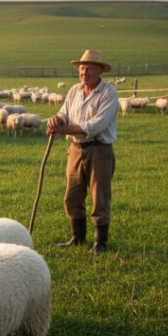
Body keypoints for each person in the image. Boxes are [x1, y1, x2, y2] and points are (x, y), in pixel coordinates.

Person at [46, 50, 119, 254]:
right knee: (73, 195)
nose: (84, 72)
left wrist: (64, 129)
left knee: (100, 196)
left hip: (99, 150)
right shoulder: (74, 91)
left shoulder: (109, 93)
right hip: (76, 149)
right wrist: (56, 120)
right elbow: (64, 113)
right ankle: (77, 238)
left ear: (99, 70)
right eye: (82, 68)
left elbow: (96, 125)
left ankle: (100, 243)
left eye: (89, 68)